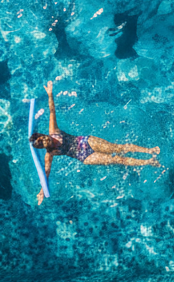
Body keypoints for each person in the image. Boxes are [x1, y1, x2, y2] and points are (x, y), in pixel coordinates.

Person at [31, 81, 160, 204]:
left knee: (117, 148)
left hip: (85, 141)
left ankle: (149, 150)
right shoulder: (50, 154)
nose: (48, 139)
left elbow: (52, 110)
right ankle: (148, 162)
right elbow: (46, 173)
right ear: (43, 147)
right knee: (117, 159)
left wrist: (50, 94)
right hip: (84, 156)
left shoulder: (53, 131)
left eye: (45, 137)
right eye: (45, 142)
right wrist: (42, 191)